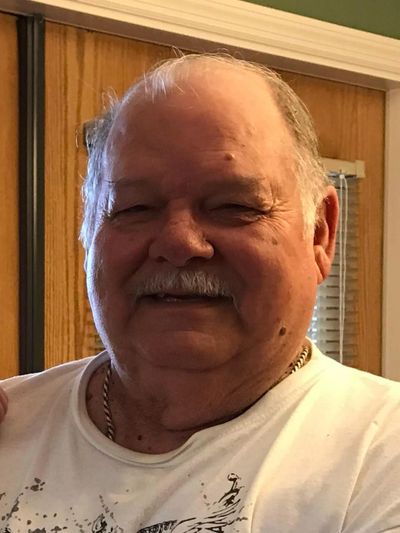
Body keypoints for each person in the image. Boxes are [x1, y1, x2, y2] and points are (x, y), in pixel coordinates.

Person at [0, 54, 399, 533]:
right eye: (134, 207)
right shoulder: (10, 426)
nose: (179, 243)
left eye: (234, 205)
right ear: (88, 234)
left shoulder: (383, 455)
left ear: (320, 233)